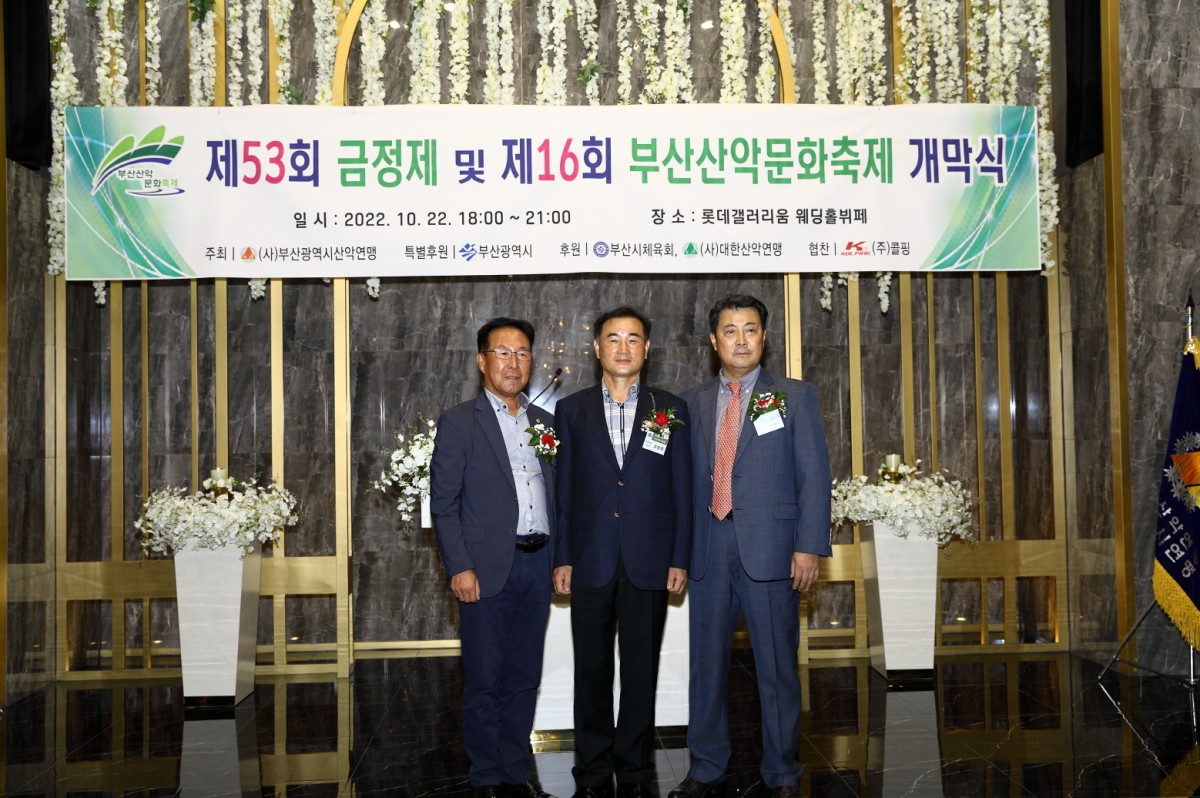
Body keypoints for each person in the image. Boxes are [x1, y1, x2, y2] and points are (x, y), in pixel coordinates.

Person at [671, 294, 832, 798]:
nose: (740, 340)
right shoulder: (691, 402)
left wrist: (809, 545)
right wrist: (678, 553)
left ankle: (782, 772)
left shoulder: (794, 396)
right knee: (706, 668)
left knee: (777, 669)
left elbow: (814, 475)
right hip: (708, 550)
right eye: (730, 330)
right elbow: (682, 485)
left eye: (750, 329)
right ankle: (705, 767)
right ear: (713, 340)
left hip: (773, 550)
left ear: (764, 336)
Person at [553, 306, 693, 798]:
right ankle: (592, 771)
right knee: (590, 671)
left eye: (634, 338)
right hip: (589, 559)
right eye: (613, 338)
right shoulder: (571, 411)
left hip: (649, 560)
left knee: (639, 672)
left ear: (647, 349)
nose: (623, 348)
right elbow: (563, 492)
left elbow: (682, 490)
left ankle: (633, 770)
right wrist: (562, 556)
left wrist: (679, 557)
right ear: (597, 348)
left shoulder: (670, 408)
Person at [429, 317, 558, 798]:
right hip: (483, 569)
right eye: (502, 352)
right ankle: (485, 774)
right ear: (482, 361)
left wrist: (561, 560)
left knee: (524, 676)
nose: (513, 362)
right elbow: (444, 503)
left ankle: (516, 770)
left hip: (538, 563)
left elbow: (558, 497)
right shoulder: (460, 421)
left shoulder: (546, 423)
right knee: (485, 677)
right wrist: (459, 566)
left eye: (522, 353)